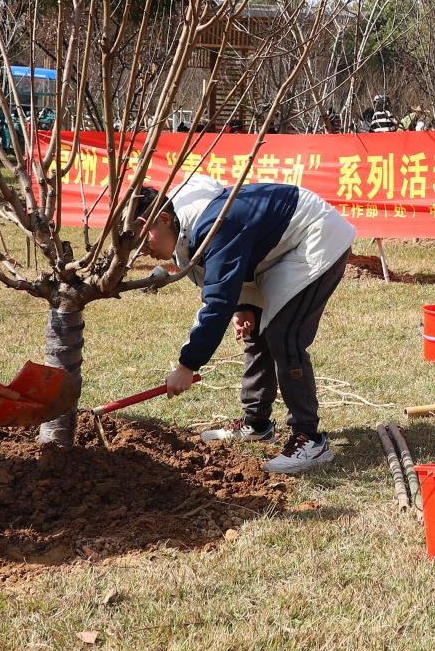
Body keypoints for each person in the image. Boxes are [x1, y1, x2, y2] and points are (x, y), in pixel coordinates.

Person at [137, 174, 355, 475]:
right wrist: (246, 306)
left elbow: (216, 303)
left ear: (162, 218)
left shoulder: (213, 226)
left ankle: (310, 440)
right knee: (257, 334)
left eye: (142, 235)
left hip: (314, 236)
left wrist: (187, 365)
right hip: (276, 249)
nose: (140, 248)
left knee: (284, 335)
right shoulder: (182, 222)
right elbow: (233, 264)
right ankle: (257, 424)